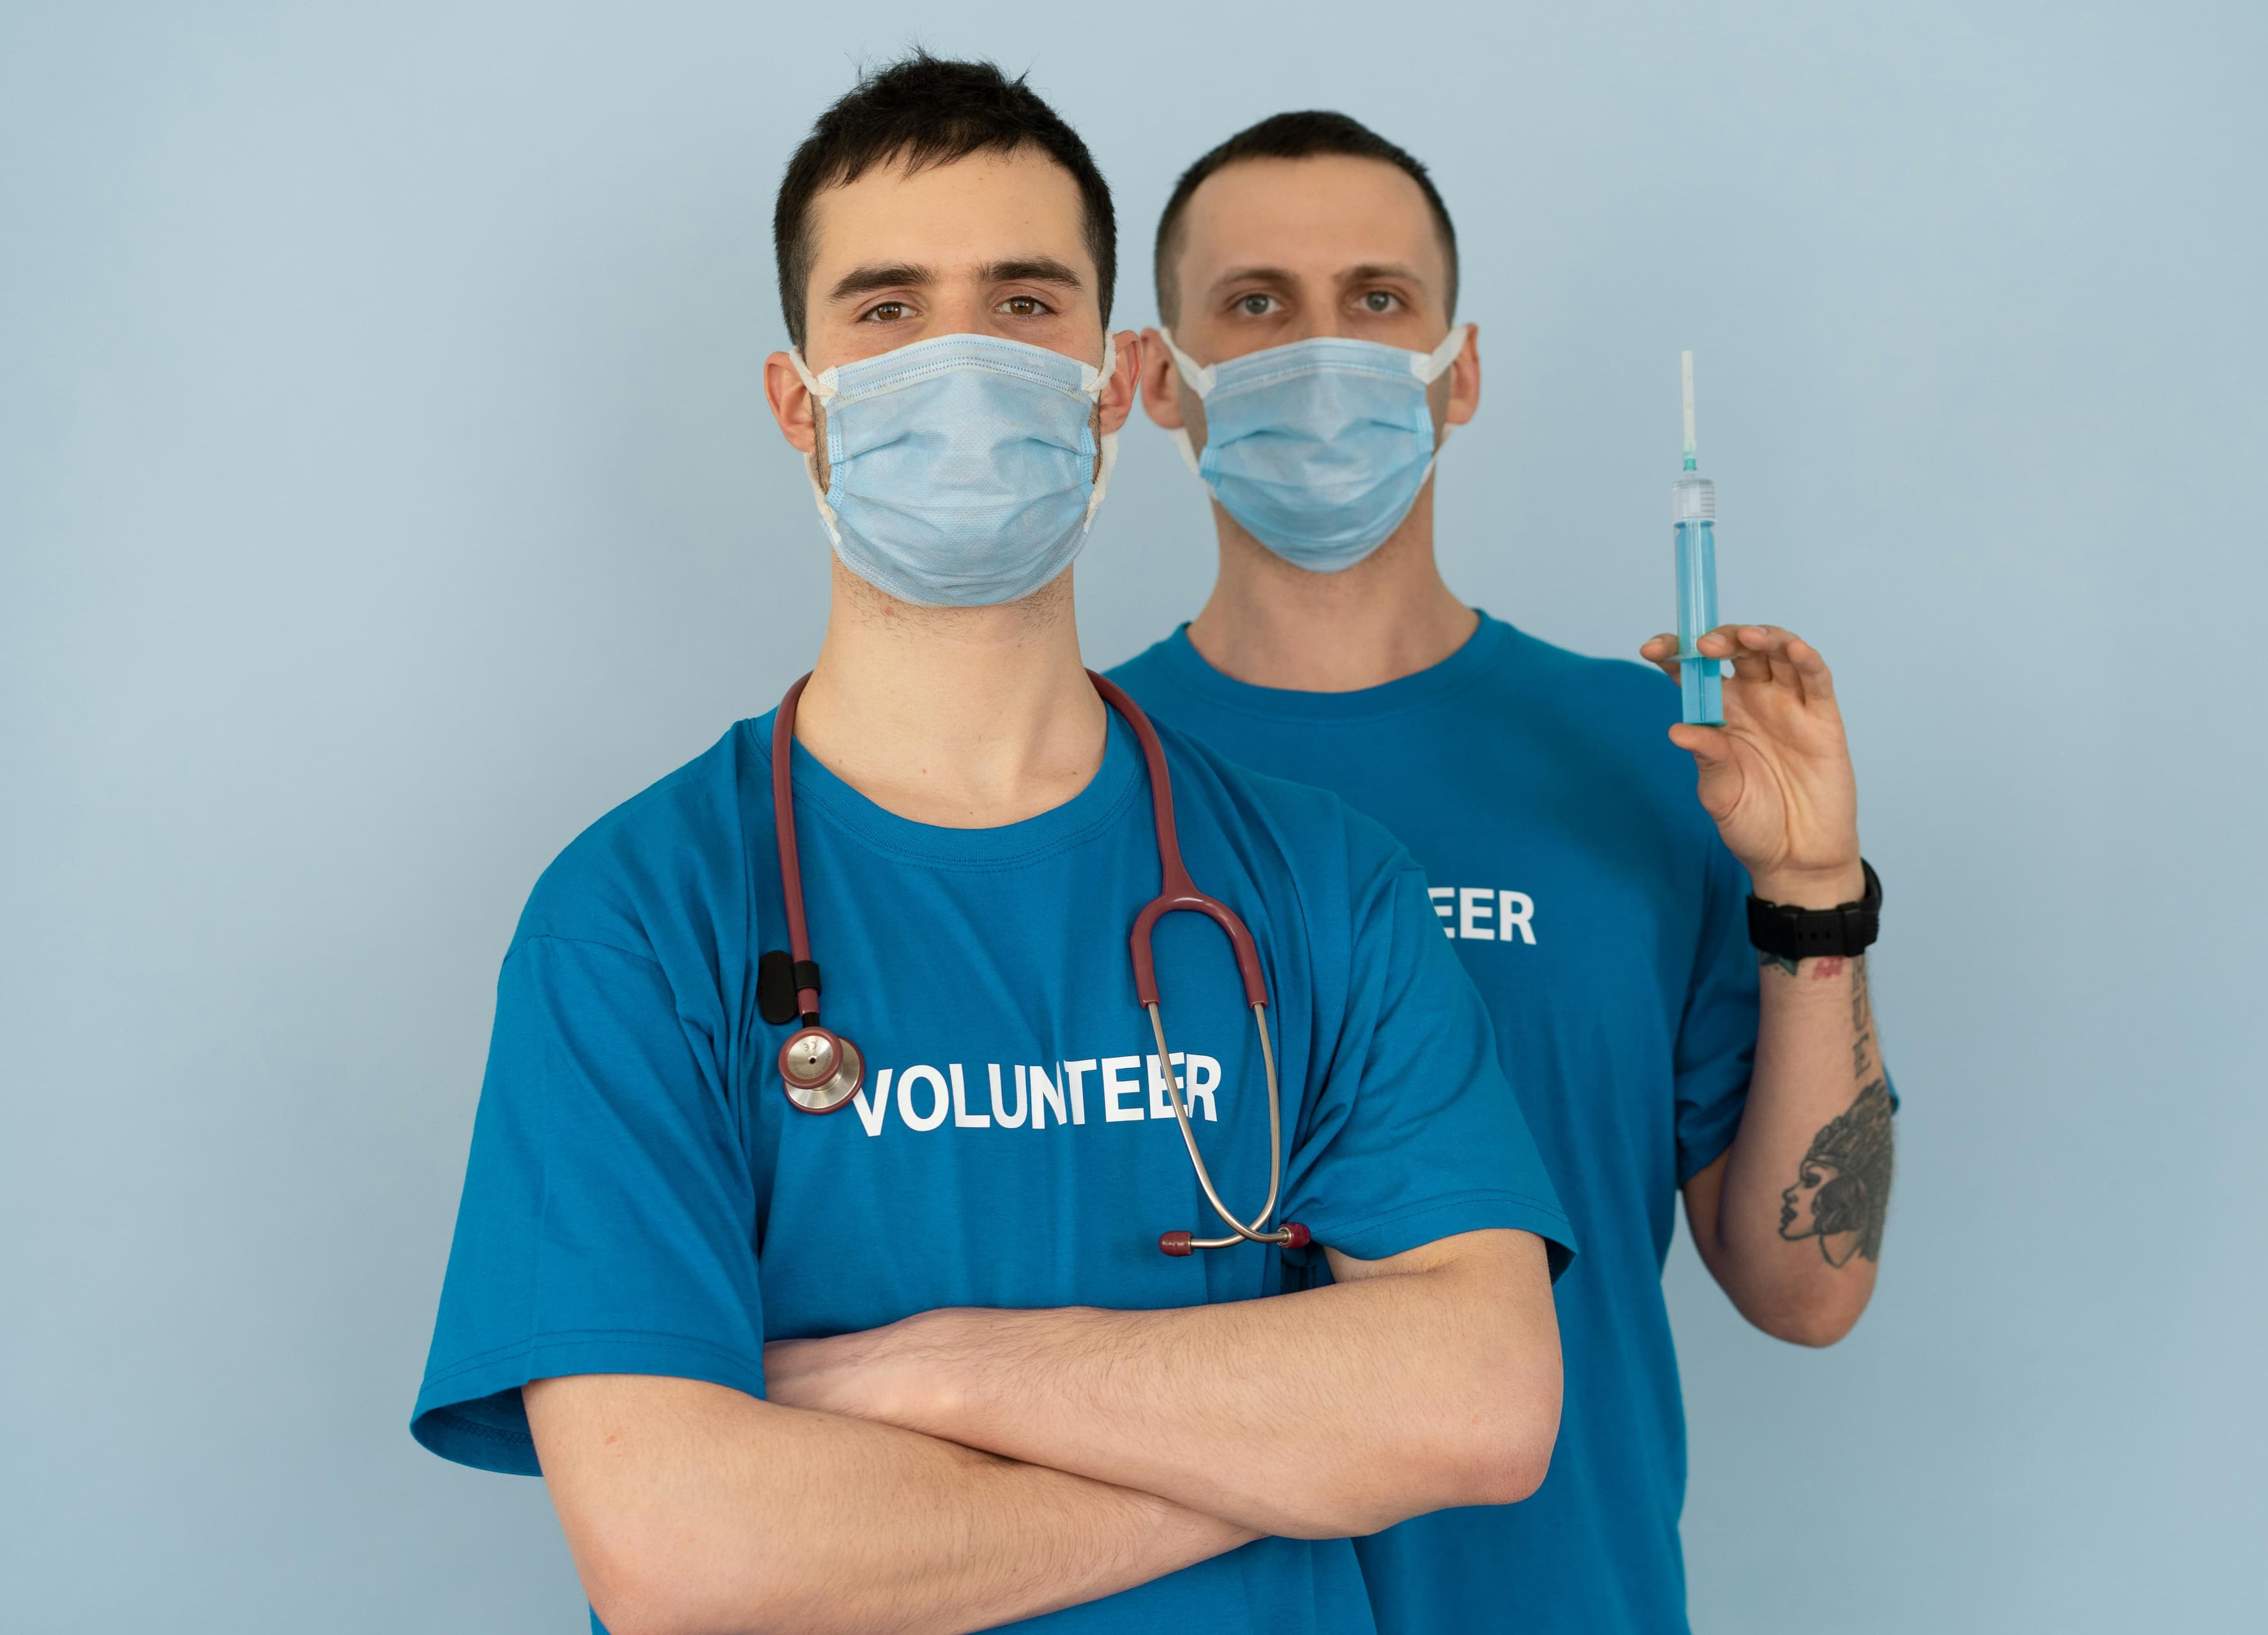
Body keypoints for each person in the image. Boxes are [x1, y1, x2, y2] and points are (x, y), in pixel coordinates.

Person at [409, 61, 1576, 1635]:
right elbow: (688, 1550)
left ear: (1109, 380)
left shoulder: (1323, 883)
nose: (960, 361)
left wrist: (935, 1371)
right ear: (794, 396)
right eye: (889, 309)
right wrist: (1284, 1452)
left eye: (1024, 304)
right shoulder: (636, 920)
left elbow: (1483, 1400)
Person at [1110, 112, 1898, 1634]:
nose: (1321, 349)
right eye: (1257, 305)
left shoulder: (1652, 757)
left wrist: (1812, 889)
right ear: (1158, 379)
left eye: (1378, 300)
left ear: (1456, 373)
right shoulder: (1067, 775)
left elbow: (1811, 1289)